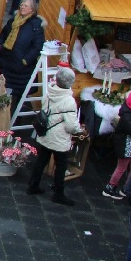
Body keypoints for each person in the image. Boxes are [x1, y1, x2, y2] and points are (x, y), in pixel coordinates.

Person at [27, 66, 81, 206]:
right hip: (59, 137)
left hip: (46, 133)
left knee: (41, 160)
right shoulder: (69, 101)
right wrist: (78, 129)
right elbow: (71, 126)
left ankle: (33, 185)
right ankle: (58, 193)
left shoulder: (49, 91)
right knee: (61, 165)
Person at [0, 0, 44, 107]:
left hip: (21, 70)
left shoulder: (35, 26)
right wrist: (0, 48)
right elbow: (3, 35)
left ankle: (13, 120)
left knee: (17, 98)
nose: (22, 7)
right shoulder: (13, 20)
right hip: (6, 64)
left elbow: (37, 46)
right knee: (3, 91)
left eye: (26, 6)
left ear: (32, 10)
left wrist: (25, 60)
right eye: (22, 5)